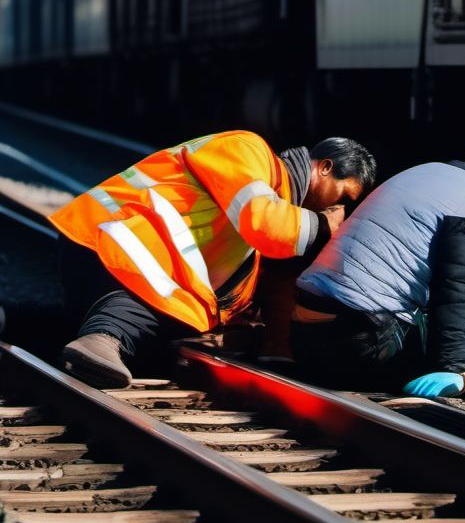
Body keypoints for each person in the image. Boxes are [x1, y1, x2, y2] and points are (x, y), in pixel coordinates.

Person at [50, 131, 376, 388]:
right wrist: (322, 226)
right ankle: (105, 338)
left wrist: (276, 352)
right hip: (114, 239)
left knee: (163, 336)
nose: (340, 211)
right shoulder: (249, 151)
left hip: (120, 257)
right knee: (155, 309)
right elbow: (262, 221)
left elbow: (276, 284)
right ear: (325, 168)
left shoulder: (282, 214)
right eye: (344, 196)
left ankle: (19, 321)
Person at [291, 131, 465, 399]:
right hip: (358, 345)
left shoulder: (427, 171)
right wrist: (451, 367)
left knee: (443, 319)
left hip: (303, 338)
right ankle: (456, 381)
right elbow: (455, 284)